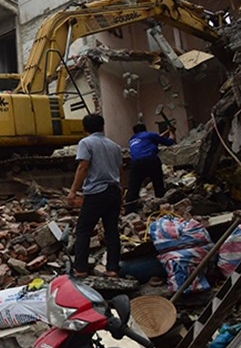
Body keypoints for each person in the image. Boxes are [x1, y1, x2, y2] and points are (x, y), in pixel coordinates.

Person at [66, 113, 124, 278]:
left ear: (84, 128)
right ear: (102, 126)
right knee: (112, 231)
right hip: (114, 191)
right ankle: (113, 268)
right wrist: (122, 193)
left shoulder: (86, 143)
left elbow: (83, 166)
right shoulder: (115, 146)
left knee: (83, 230)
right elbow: (121, 171)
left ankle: (81, 269)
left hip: (96, 192)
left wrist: (72, 191)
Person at [124, 123, 176, 215]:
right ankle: (161, 207)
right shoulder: (150, 135)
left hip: (136, 163)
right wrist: (172, 132)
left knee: (133, 187)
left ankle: (129, 211)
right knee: (158, 184)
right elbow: (169, 142)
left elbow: (153, 139)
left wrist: (165, 132)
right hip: (151, 160)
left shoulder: (132, 139)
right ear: (145, 129)